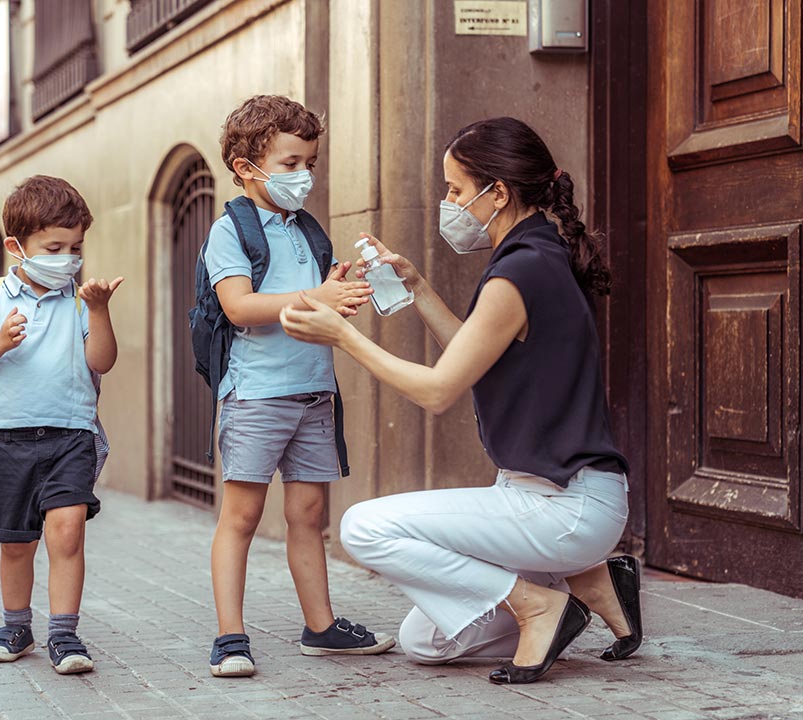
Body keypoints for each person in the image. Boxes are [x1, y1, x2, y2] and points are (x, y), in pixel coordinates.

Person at [279, 117, 644, 684]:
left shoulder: (519, 272)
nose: (448, 203)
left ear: (497, 192)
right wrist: (419, 288)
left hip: (563, 505)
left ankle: (539, 603)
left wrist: (342, 337)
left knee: (363, 528)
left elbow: (439, 389)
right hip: (552, 501)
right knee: (426, 642)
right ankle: (585, 580)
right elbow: (473, 356)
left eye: (454, 189)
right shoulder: (537, 254)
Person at [202, 95, 395, 678]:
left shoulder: (307, 229)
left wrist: (336, 287)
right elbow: (239, 306)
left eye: (309, 161)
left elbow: (310, 308)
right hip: (257, 393)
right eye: (289, 163)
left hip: (314, 391)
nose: (302, 175)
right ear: (246, 167)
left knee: (308, 514)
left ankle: (321, 627)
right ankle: (230, 638)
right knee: (240, 516)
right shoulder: (229, 231)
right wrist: (317, 296)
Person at [0, 175, 123, 675]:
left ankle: (64, 634)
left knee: (67, 532)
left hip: (72, 434)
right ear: (16, 246)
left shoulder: (79, 299)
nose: (67, 257)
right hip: (8, 436)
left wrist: (99, 310)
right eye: (54, 247)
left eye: (75, 247)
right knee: (16, 541)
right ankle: (15, 625)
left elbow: (103, 360)